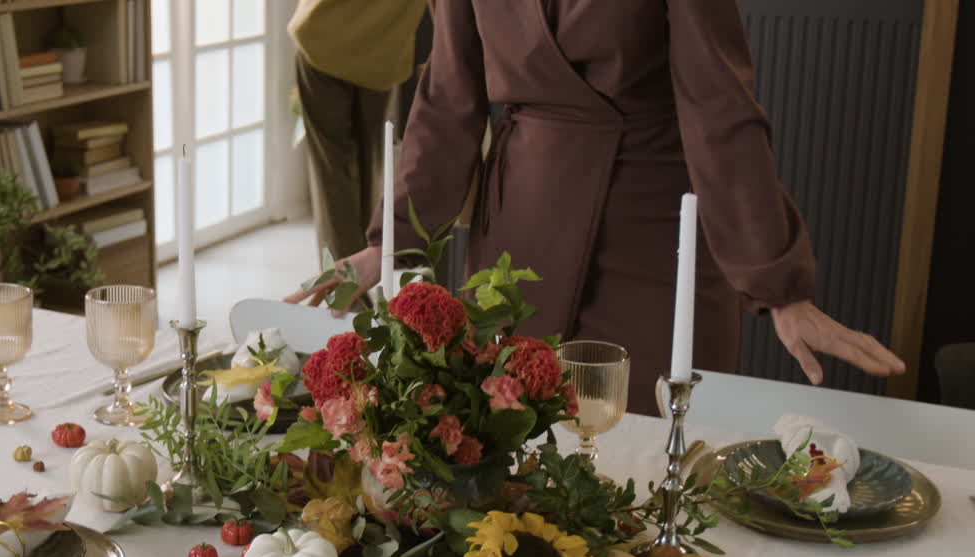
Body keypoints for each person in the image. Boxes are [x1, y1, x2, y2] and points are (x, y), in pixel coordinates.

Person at [286, 0, 904, 416]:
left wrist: (779, 285)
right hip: (518, 237)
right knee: (513, 447)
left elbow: (719, 102)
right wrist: (387, 241)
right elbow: (448, 96)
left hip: (654, 227)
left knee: (651, 460)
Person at [289, 0, 429, 262]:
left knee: (334, 173)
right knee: (368, 167)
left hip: (324, 39)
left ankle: (344, 286)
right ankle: (355, 280)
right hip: (382, 54)